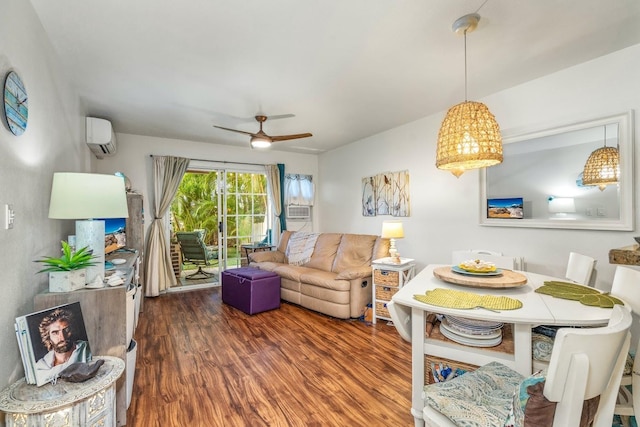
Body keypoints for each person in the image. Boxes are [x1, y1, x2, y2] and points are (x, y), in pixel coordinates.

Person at [35, 307, 91, 384]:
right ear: (48, 338)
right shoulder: (41, 367)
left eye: (66, 330)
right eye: (55, 332)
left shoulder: (87, 350)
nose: (62, 337)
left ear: (72, 330)